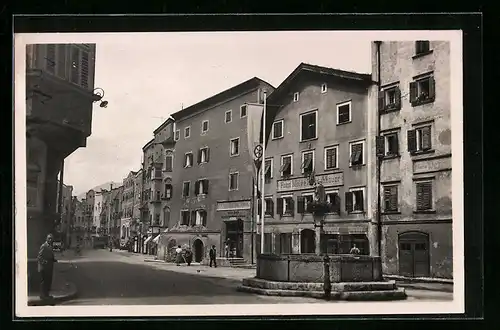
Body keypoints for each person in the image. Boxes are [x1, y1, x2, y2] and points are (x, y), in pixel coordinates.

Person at [37, 233, 58, 300]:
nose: (50, 239)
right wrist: (44, 262)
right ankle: (42, 295)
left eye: (51, 238)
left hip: (50, 266)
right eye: (49, 238)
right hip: (44, 267)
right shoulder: (44, 246)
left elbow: (50, 255)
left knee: (49, 281)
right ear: (46, 239)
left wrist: (54, 260)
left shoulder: (50, 246)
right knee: (44, 281)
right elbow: (39, 257)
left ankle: (47, 295)